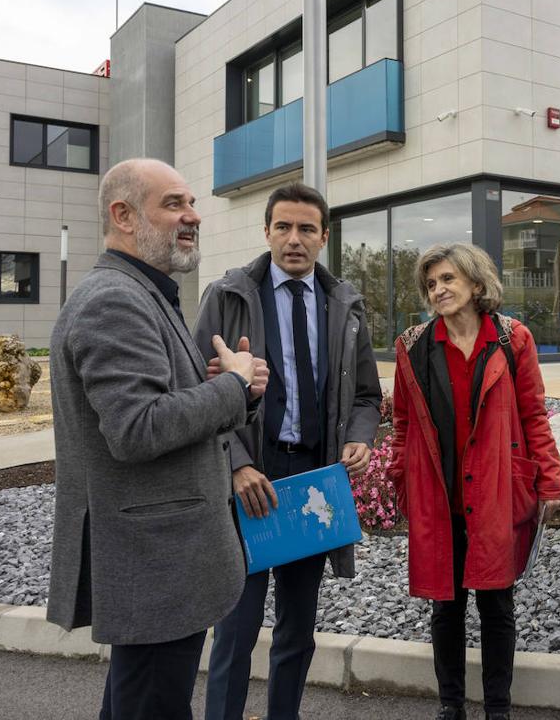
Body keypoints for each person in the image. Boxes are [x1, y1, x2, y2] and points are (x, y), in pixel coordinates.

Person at [48, 158, 269, 720]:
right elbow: (136, 428)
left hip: (160, 565)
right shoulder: (114, 300)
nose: (193, 216)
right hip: (156, 567)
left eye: (191, 203)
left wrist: (227, 389)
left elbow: (154, 406)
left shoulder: (142, 291)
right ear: (122, 215)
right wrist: (235, 388)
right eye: (174, 204)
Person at [195, 182, 382, 720]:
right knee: (236, 628)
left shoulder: (344, 303)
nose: (293, 239)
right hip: (251, 476)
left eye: (306, 229)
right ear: (267, 231)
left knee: (298, 630)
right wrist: (237, 464)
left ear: (324, 237)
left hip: (314, 479)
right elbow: (194, 392)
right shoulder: (228, 296)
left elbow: (367, 395)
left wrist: (359, 436)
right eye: (283, 227)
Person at [388, 243, 560, 720]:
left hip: (496, 491)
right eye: (431, 283)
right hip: (438, 492)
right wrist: (402, 481)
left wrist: (549, 479)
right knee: (444, 607)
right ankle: (451, 704)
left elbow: (534, 415)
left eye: (448, 279)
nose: (438, 289)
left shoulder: (513, 339)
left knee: (496, 604)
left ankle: (498, 708)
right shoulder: (413, 346)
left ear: (477, 285)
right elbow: (402, 422)